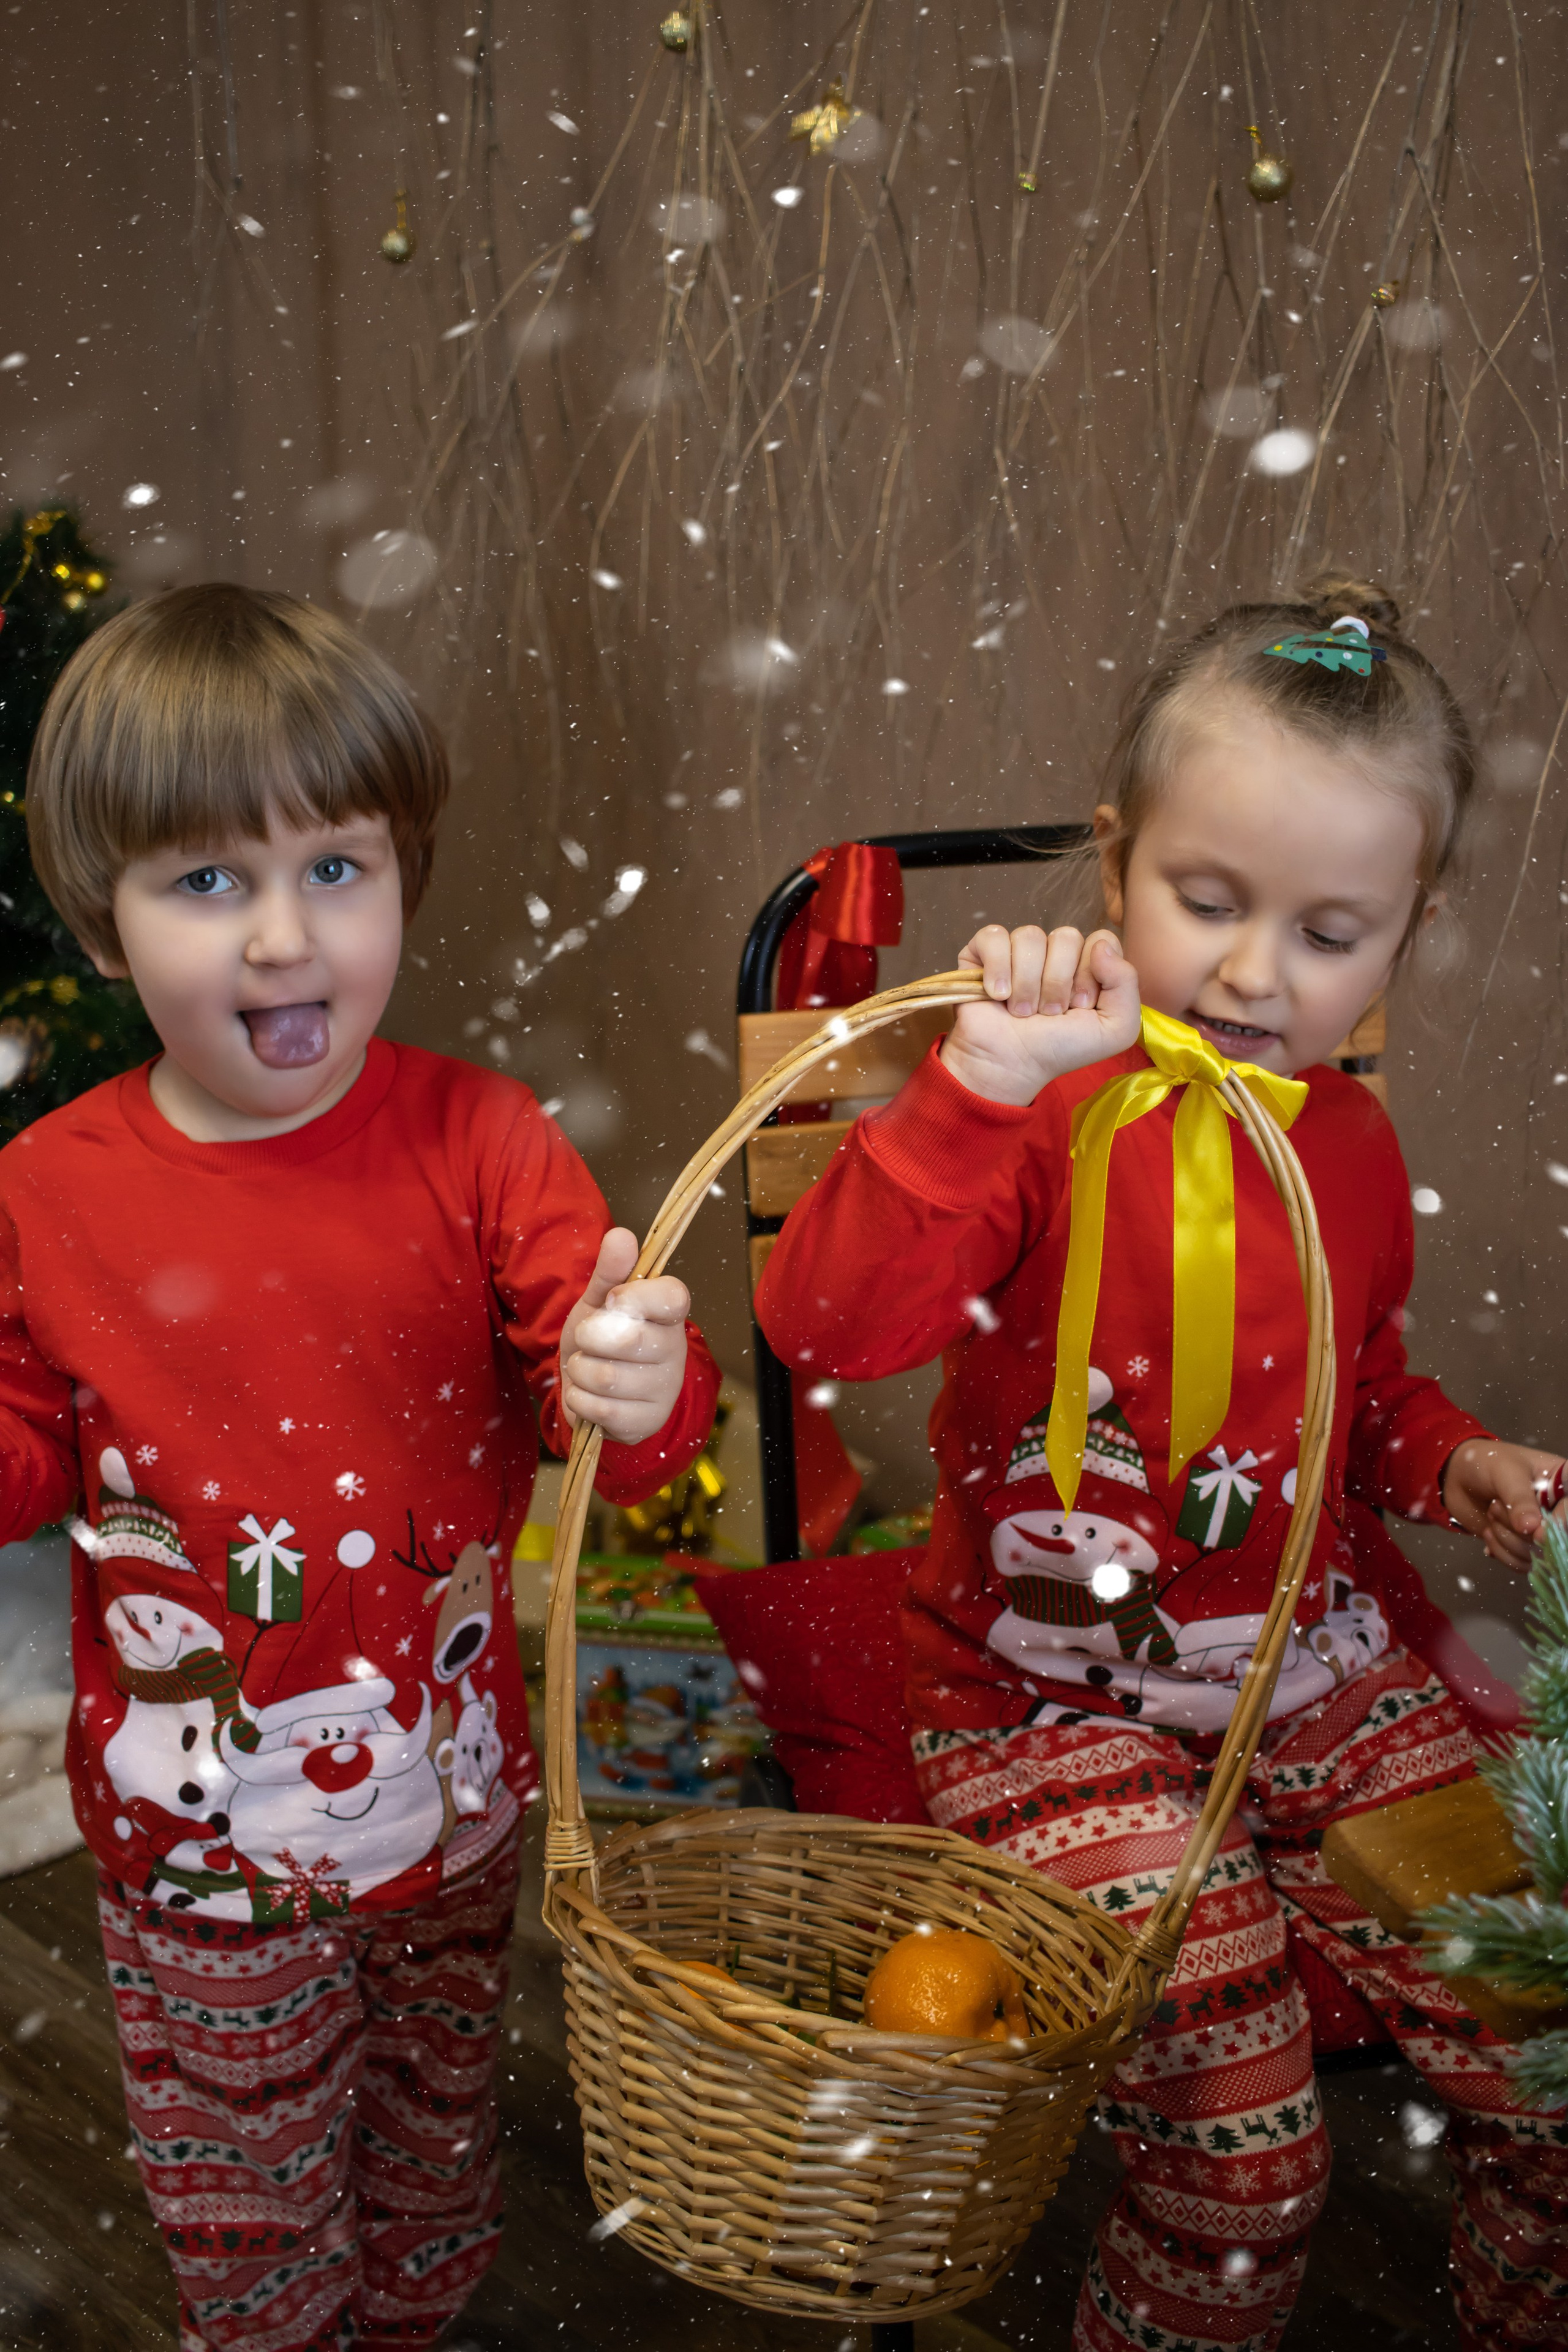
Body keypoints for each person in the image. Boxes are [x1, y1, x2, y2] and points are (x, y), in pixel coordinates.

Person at [758, 576, 1568, 2352]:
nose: (1262, 973)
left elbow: (1359, 1405)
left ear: (1408, 926)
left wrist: (1455, 1464)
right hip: (1052, 1699)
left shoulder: (1343, 1143)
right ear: (1116, 861)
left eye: (1334, 931)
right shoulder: (1040, 1108)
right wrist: (973, 1087)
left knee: (1553, 2051)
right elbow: (825, 1330)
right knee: (1242, 2159)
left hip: (1313, 1667)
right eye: (1208, 902)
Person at [7, 584, 719, 2350]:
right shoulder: (45, 1191)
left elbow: (615, 1413)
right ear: (104, 925)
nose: (280, 940)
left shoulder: (485, 1142)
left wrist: (639, 1380)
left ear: (402, 870)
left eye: (335, 868)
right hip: (202, 1852)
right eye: (205, 882)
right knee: (252, 2219)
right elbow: (27, 1458)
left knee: (432, 2167)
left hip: (454, 1819)